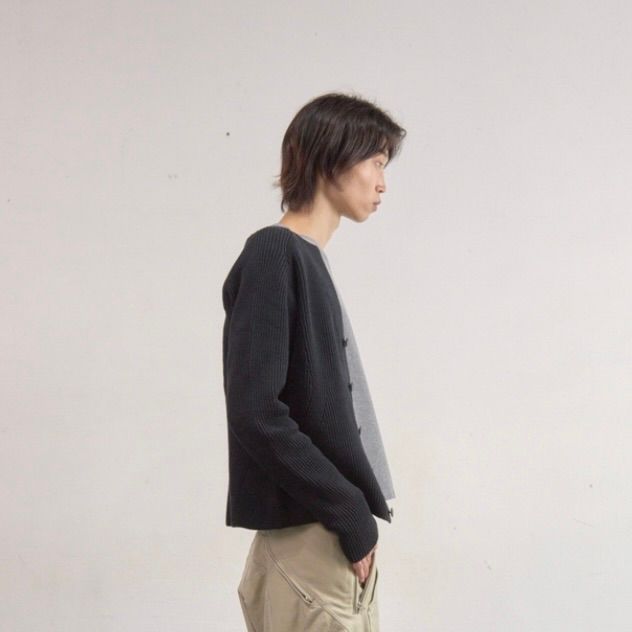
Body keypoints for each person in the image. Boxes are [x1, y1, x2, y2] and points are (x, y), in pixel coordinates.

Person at [221, 92, 406, 631]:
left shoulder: (306, 259)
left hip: (324, 538)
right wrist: (346, 509)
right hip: (310, 540)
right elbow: (257, 409)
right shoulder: (274, 253)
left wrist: (351, 517)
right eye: (376, 162)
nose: (382, 183)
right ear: (331, 159)